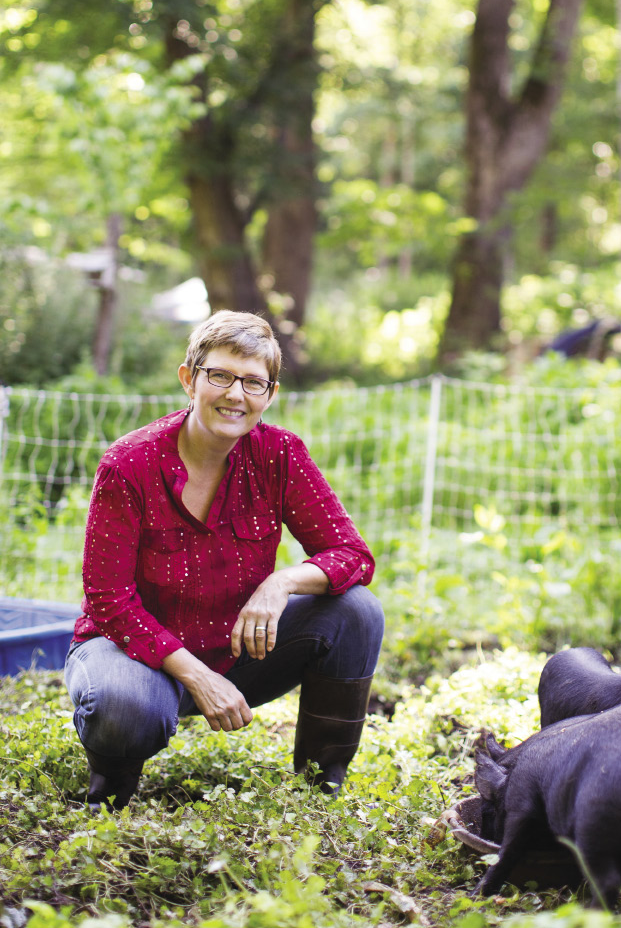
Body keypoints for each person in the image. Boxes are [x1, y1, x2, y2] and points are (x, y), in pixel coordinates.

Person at [64, 310, 384, 808]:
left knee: (356, 611)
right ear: (189, 380)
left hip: (237, 652)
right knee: (126, 707)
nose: (236, 395)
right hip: (134, 656)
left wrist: (280, 585)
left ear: (270, 394)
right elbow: (108, 600)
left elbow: (352, 556)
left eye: (253, 382)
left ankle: (320, 790)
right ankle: (109, 796)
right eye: (220, 376)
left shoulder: (280, 455)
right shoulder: (128, 465)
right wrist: (194, 673)